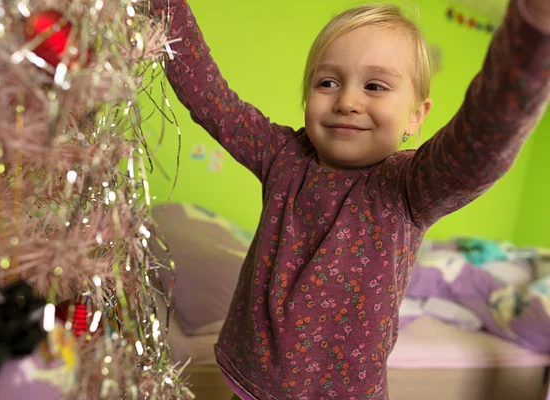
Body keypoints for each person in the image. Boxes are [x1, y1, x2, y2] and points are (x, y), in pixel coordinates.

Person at [150, 0, 549, 398]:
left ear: (416, 116)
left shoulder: (408, 187)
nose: (347, 102)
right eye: (327, 83)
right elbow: (209, 96)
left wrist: (532, 35)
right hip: (248, 377)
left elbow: (481, 140)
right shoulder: (283, 156)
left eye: (375, 86)